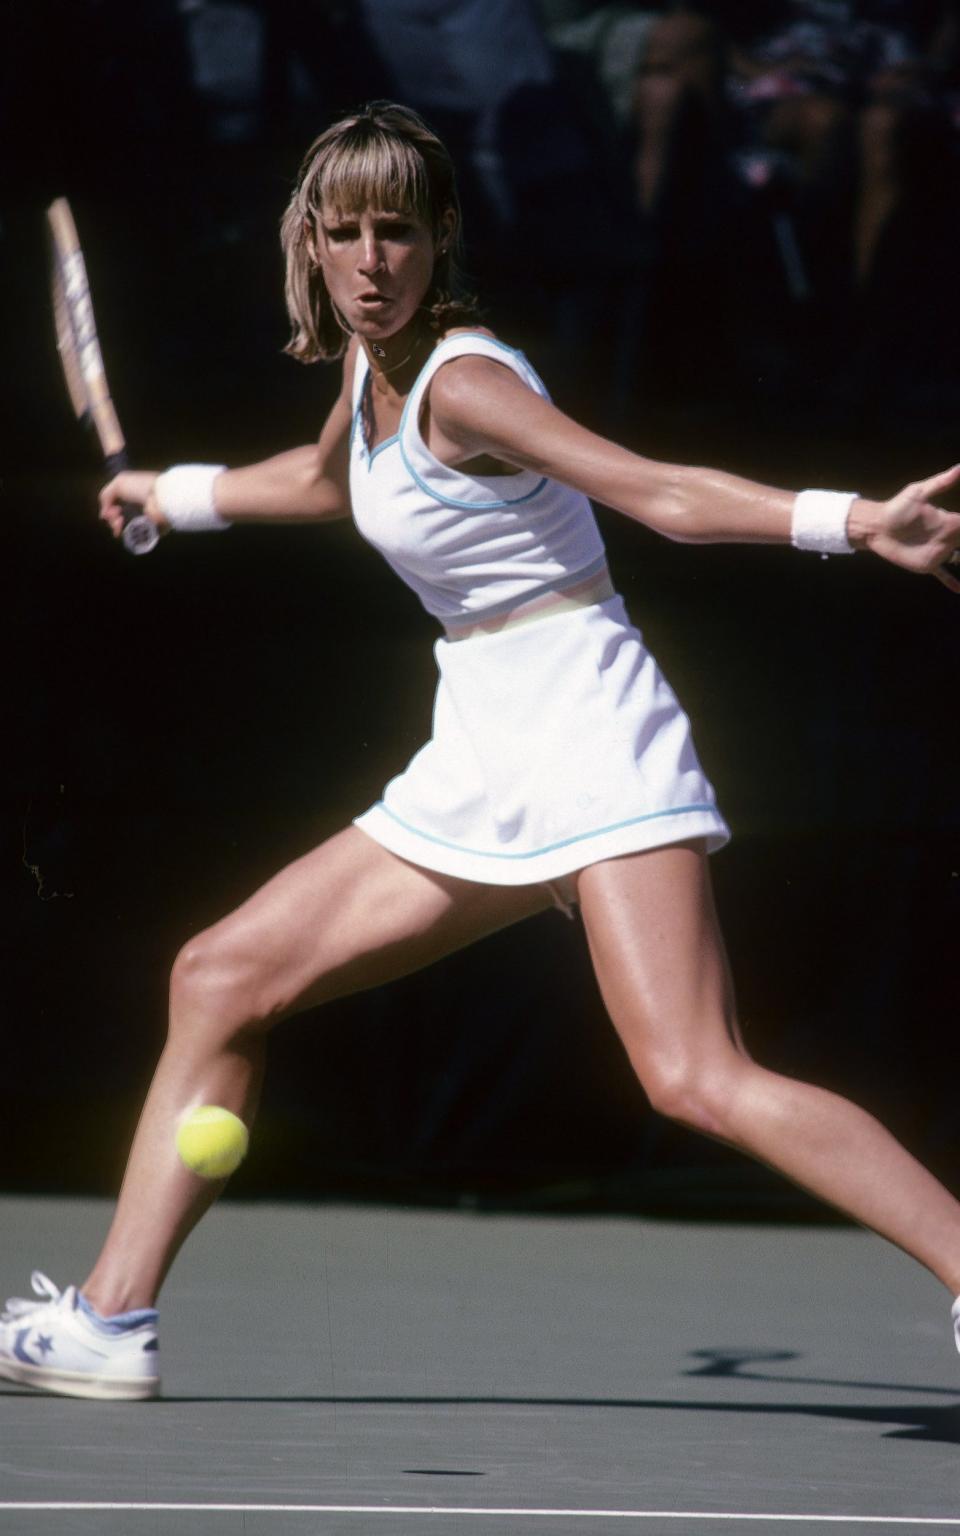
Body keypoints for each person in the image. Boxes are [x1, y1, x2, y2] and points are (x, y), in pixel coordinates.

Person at [3, 101, 960, 1403]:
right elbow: (322, 482)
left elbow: (659, 495)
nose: (372, 260)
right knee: (220, 976)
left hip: (587, 730)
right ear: (312, 244)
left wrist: (853, 522)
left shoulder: (466, 380)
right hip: (484, 741)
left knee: (693, 1076)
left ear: (441, 236)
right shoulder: (364, 368)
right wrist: (170, 495)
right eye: (345, 233)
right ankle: (111, 1321)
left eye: (398, 230)